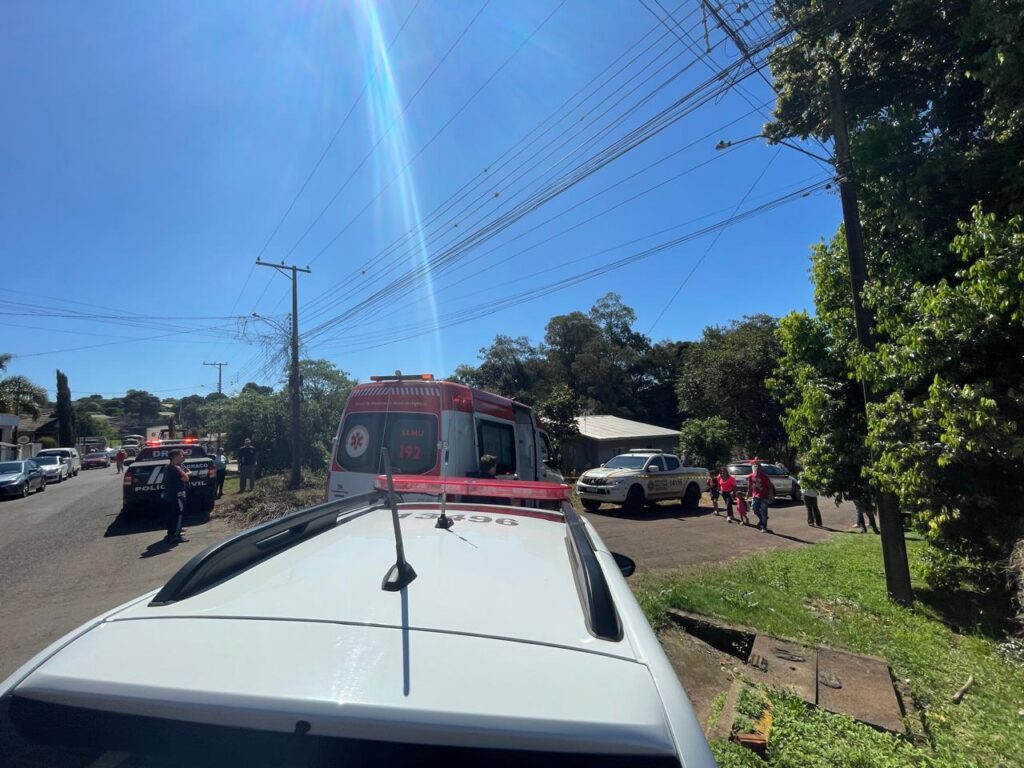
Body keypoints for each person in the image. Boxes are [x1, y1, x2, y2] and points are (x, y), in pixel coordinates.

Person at [162, 448, 190, 544]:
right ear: (175, 457)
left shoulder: (167, 467)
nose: (182, 457)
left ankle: (171, 533)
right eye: (180, 455)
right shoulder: (176, 467)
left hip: (169, 495)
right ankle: (176, 535)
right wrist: (185, 475)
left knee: (171, 515)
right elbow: (186, 478)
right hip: (177, 495)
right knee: (179, 514)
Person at [748, 461, 772, 533]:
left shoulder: (765, 477)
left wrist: (770, 496)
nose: (757, 468)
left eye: (758, 467)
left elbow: (770, 486)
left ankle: (764, 527)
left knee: (764, 512)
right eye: (755, 467)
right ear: (753, 468)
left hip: (764, 496)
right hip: (755, 496)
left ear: (761, 468)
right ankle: (762, 519)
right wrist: (747, 493)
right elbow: (749, 485)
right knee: (754, 509)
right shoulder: (751, 476)